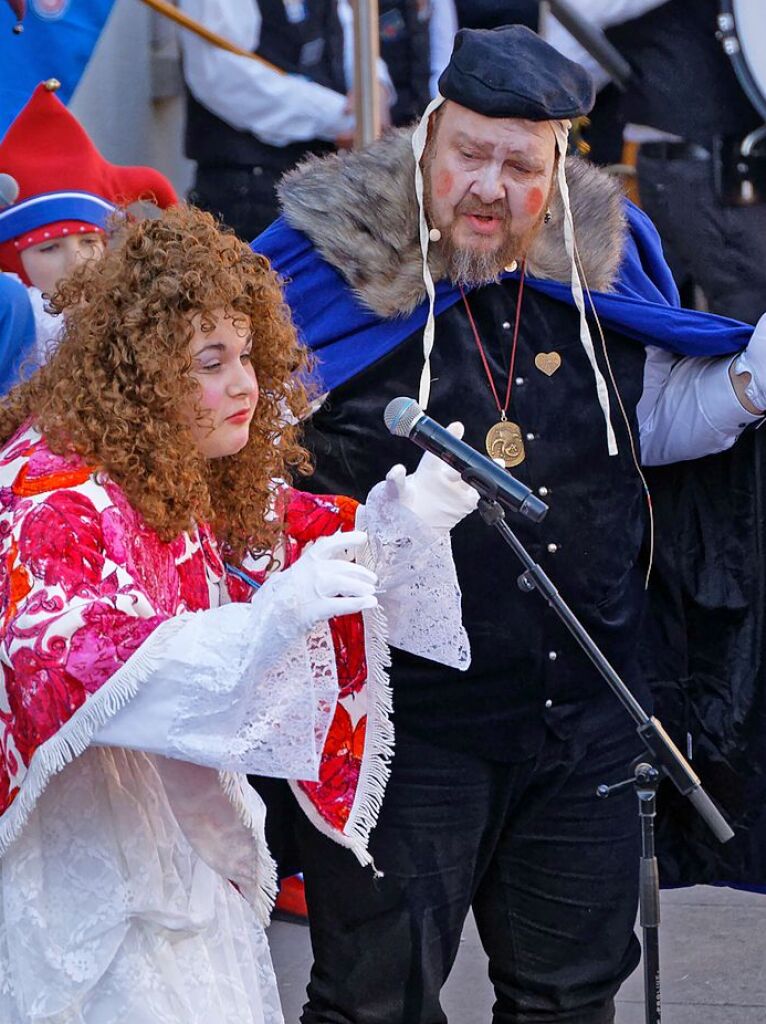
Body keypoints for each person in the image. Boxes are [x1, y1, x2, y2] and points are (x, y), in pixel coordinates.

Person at [254, 25, 766, 1024]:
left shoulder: (607, 260)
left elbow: (647, 429)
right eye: (469, 156)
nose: (489, 187)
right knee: (374, 1003)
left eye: (519, 166)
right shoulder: (323, 269)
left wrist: (745, 385)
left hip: (586, 711)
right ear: (427, 142)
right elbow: (242, 455)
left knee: (570, 999)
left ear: (557, 165)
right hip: (401, 728)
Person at [0, 203, 478, 1023]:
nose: (246, 386)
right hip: (77, 868)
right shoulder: (52, 491)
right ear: (138, 372)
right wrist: (267, 624)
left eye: (248, 354)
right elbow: (66, 664)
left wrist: (409, 520)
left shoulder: (168, 463)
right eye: (209, 362)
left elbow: (296, 548)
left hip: (175, 850)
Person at [0, 80, 178, 382]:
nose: (78, 262)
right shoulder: (12, 317)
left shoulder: (143, 330)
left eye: (88, 241)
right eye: (49, 247)